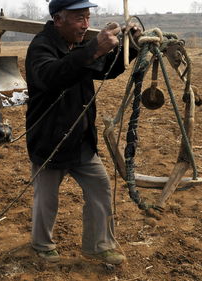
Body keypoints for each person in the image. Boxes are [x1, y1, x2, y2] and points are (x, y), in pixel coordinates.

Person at [25, 0, 140, 264]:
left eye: (87, 18)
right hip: (50, 139)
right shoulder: (41, 47)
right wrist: (93, 50)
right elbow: (53, 76)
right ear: (58, 20)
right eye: (79, 19)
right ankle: (42, 246)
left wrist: (129, 48)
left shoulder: (76, 46)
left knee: (100, 187)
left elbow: (105, 69)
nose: (86, 24)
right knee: (47, 199)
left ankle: (98, 246)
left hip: (81, 138)